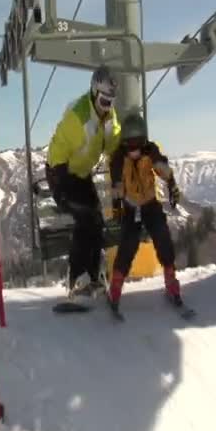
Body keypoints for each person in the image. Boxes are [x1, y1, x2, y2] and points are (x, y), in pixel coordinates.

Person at [46, 65, 122, 296]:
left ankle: (93, 275)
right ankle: (77, 278)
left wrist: (118, 179)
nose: (106, 107)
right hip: (62, 174)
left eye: (110, 102)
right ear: (93, 92)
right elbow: (56, 150)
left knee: (96, 219)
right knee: (84, 217)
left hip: (82, 175)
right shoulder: (78, 117)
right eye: (103, 101)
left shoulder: (109, 117)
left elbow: (113, 147)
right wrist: (60, 189)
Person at [107, 112, 182, 314]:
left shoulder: (151, 151)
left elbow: (162, 168)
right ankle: (116, 285)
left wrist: (172, 186)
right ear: (124, 144)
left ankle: (170, 278)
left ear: (144, 141)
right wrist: (117, 209)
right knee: (128, 244)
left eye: (138, 145)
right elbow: (116, 185)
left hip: (150, 203)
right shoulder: (118, 158)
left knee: (161, 235)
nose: (135, 151)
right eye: (130, 146)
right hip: (131, 207)